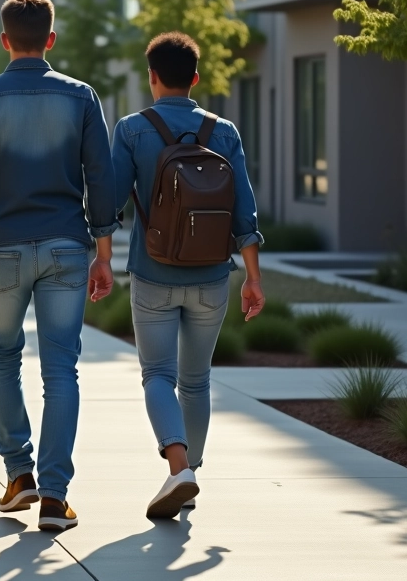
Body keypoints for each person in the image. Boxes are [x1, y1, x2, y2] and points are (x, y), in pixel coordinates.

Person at [0, 0, 117, 533]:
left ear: (4, 41)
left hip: (2, 248)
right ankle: (55, 496)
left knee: (2, 356)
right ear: (51, 38)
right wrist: (105, 253)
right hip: (68, 247)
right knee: (60, 368)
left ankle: (19, 474)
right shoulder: (81, 96)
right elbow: (100, 175)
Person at [111, 32, 265, 519]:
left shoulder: (132, 130)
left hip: (153, 274)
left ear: (151, 77)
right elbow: (245, 214)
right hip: (212, 277)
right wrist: (254, 279)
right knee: (196, 382)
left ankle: (180, 469)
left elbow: (109, 204)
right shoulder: (225, 132)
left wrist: (98, 255)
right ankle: (190, 471)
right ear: (196, 79)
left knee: (158, 374)